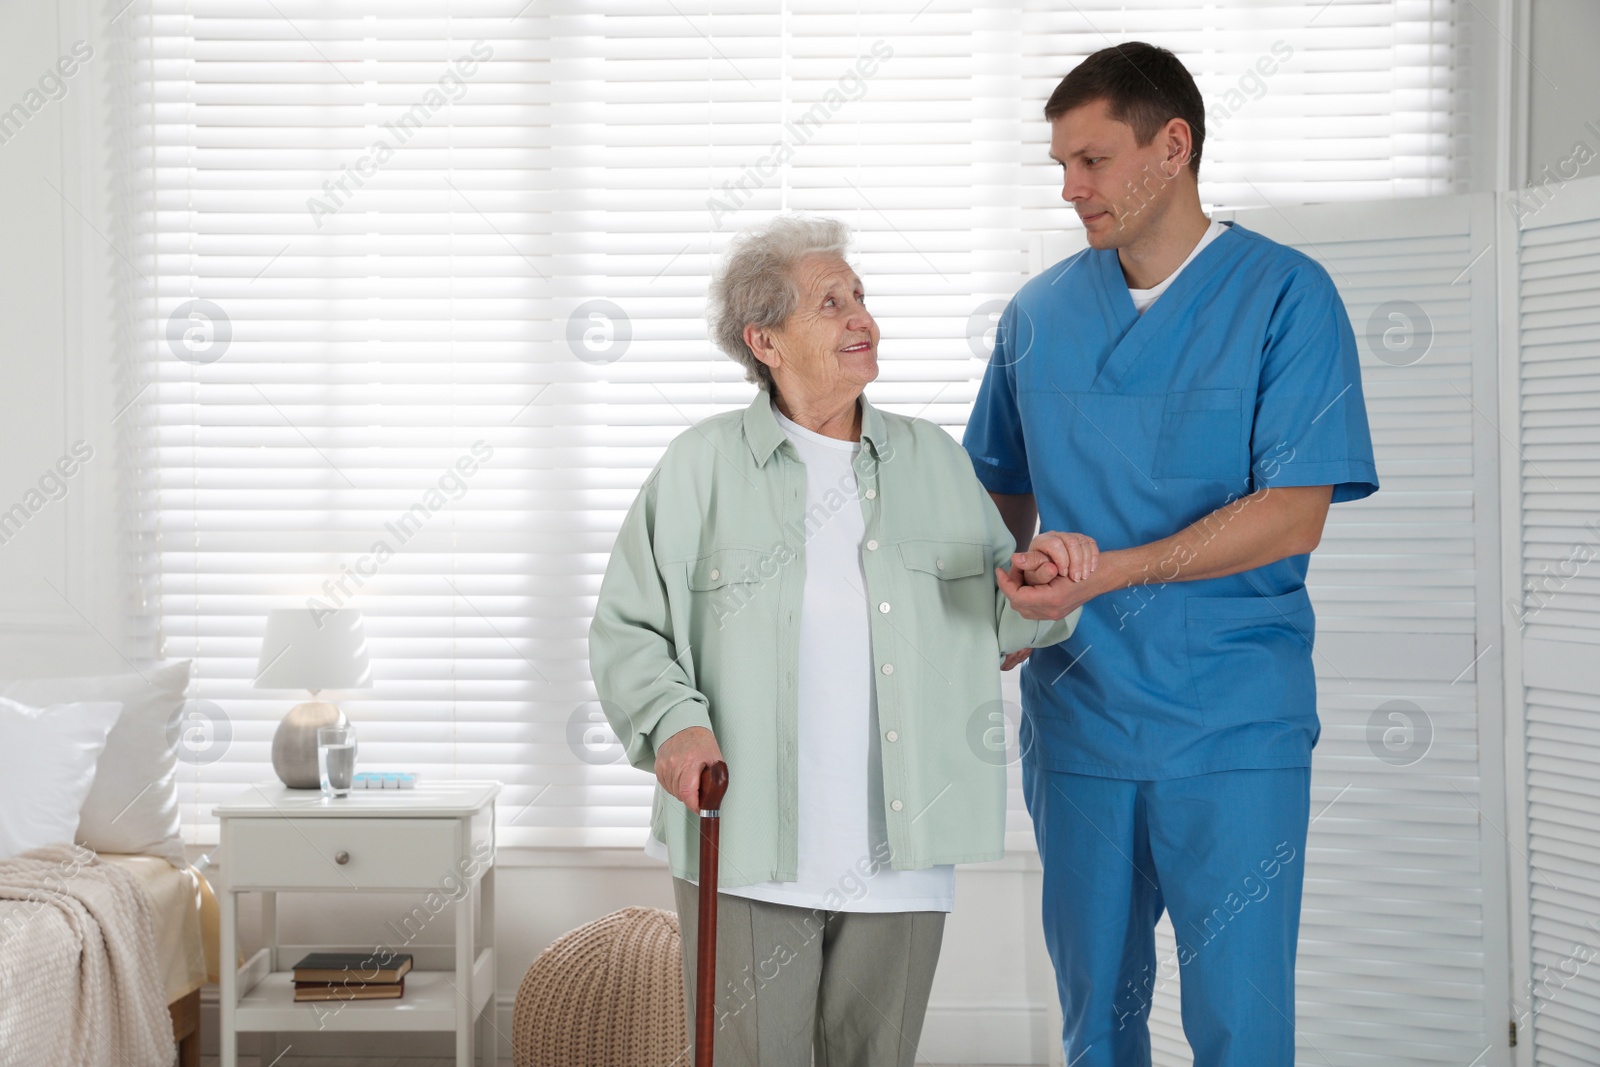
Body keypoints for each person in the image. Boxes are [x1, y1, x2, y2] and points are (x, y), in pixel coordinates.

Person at [588, 214, 1088, 1067]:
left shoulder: (933, 461)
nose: (862, 316)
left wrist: (1055, 589)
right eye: (830, 301)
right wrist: (676, 724)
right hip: (747, 848)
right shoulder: (699, 468)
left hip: (904, 855)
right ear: (766, 341)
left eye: (860, 295)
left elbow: (1000, 625)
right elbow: (627, 628)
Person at [964, 43, 1380, 1067]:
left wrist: (1106, 568)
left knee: (1239, 1025)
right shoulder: (1038, 314)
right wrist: (1003, 598)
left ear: (1172, 146)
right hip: (1081, 721)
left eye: (1092, 160)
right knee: (1093, 1018)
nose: (1070, 189)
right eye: (1060, 165)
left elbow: (1291, 513)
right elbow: (996, 491)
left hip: (1233, 722)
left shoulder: (1287, 296)